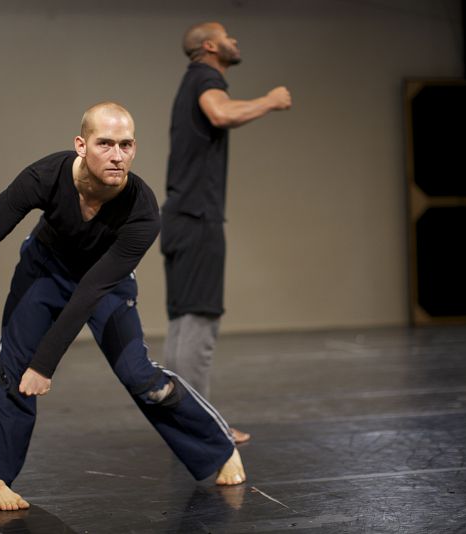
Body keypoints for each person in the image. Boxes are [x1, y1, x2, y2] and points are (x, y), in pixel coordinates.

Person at [0, 102, 246, 512]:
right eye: (105, 143)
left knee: (140, 376)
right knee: (14, 366)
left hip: (105, 282)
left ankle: (217, 447)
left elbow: (92, 290)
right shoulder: (44, 177)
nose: (117, 155)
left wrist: (45, 364)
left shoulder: (143, 210)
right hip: (45, 268)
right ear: (81, 145)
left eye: (126, 145)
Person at [161, 22, 292, 443]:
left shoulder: (190, 80)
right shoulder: (205, 76)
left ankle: (180, 419)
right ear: (210, 46)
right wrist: (270, 101)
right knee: (198, 321)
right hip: (198, 218)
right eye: (227, 36)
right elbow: (221, 112)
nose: (235, 40)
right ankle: (201, 426)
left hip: (180, 217)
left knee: (184, 323)